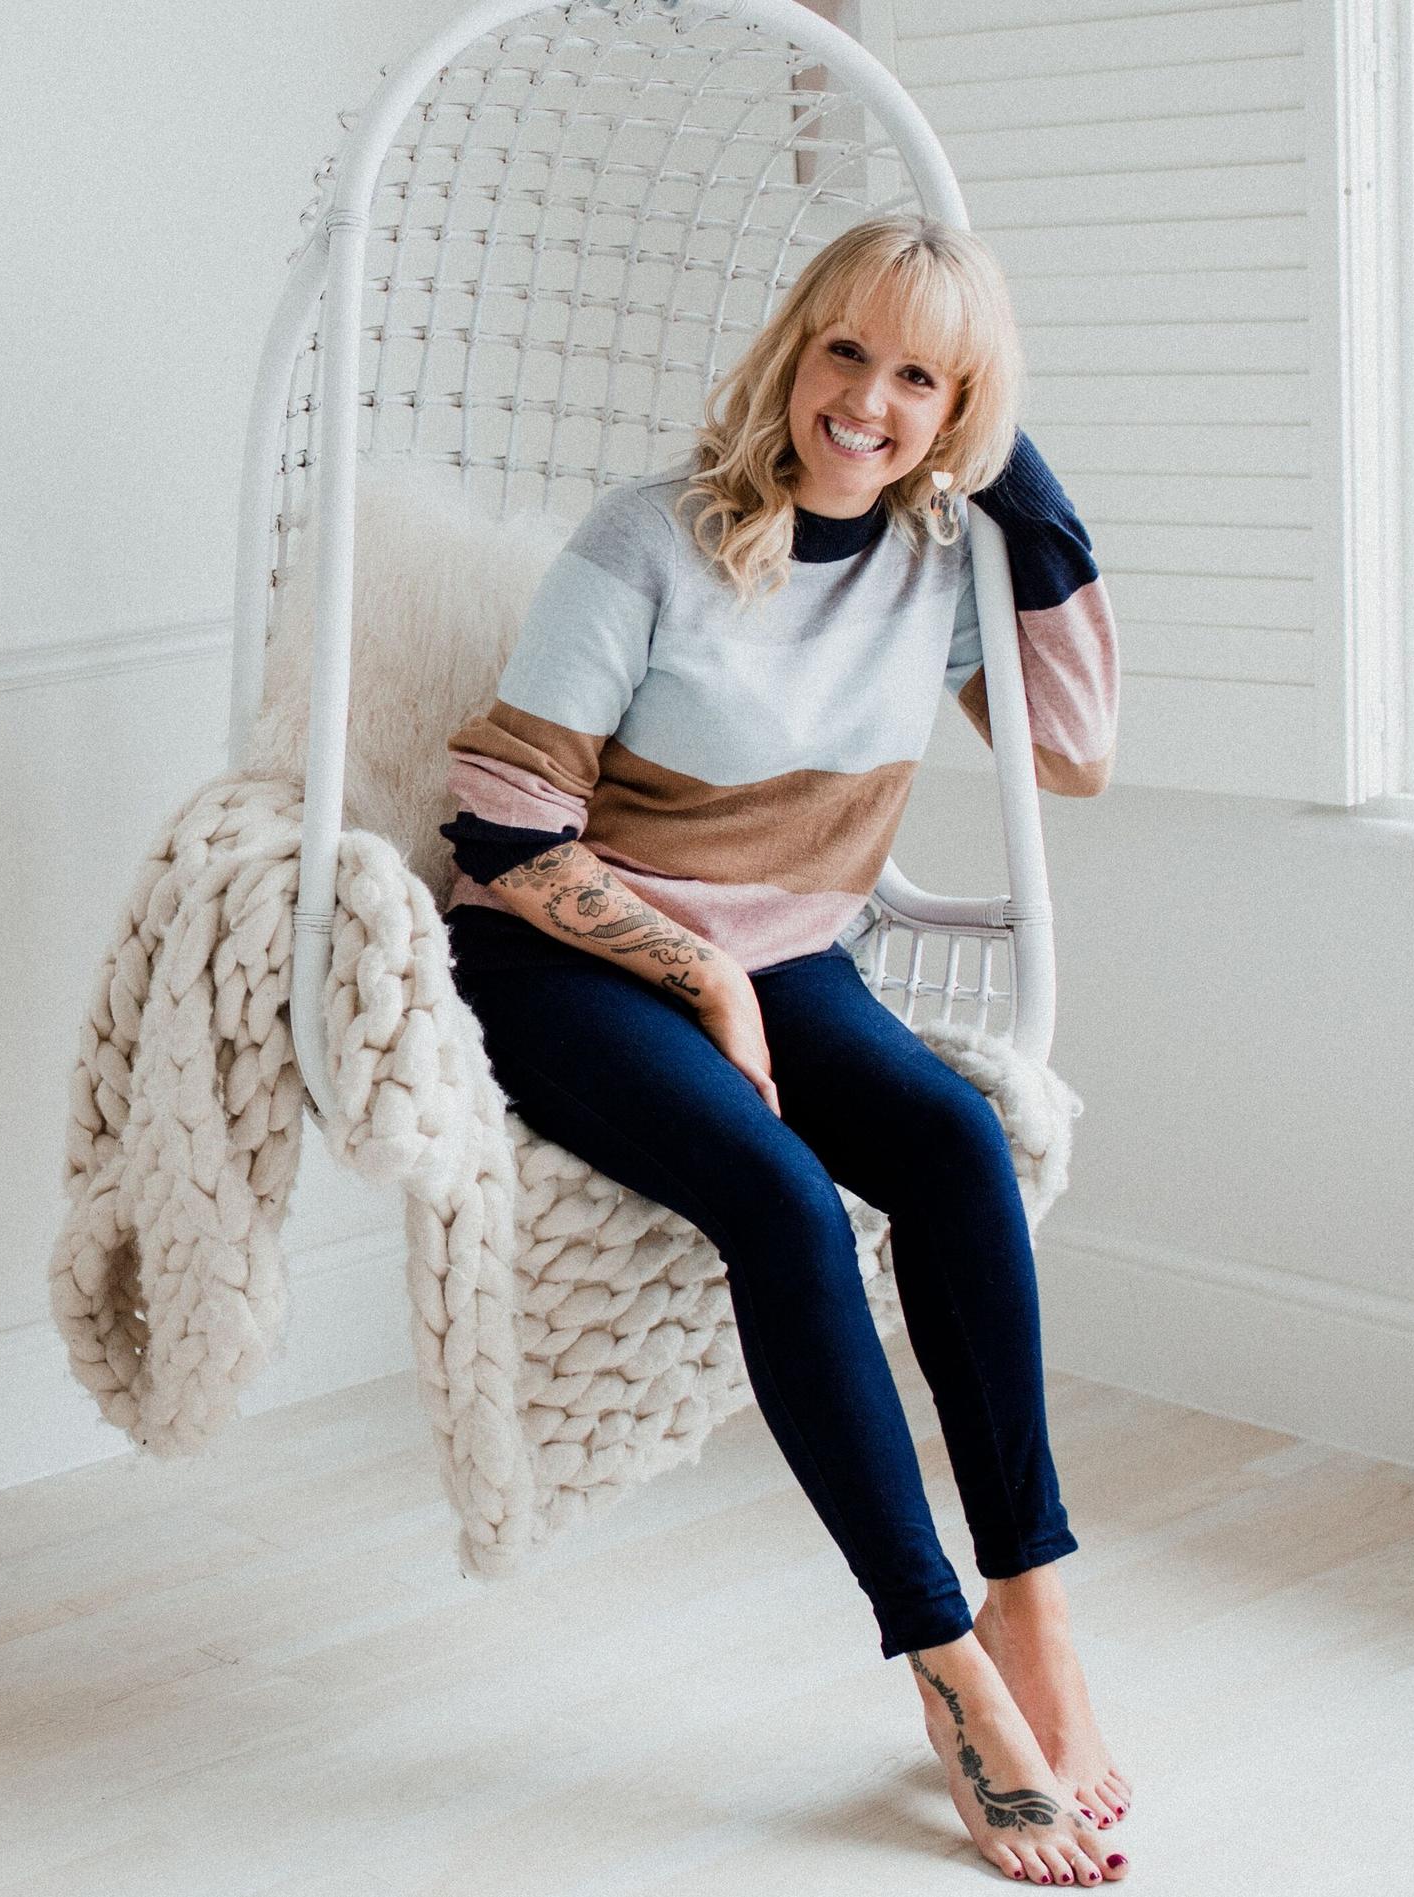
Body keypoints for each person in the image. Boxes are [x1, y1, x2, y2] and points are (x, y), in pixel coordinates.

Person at [436, 212, 1131, 1889]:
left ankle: (1034, 1607)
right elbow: (503, 829)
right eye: (847, 350)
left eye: (923, 379)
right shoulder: (649, 538)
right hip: (566, 956)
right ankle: (946, 1662)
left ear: (959, 412)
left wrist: (1020, 475)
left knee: (956, 1143)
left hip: (788, 956)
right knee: (782, 1200)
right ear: (793, 348)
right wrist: (699, 974)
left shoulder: (934, 565)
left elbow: (1074, 746)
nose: (869, 401)